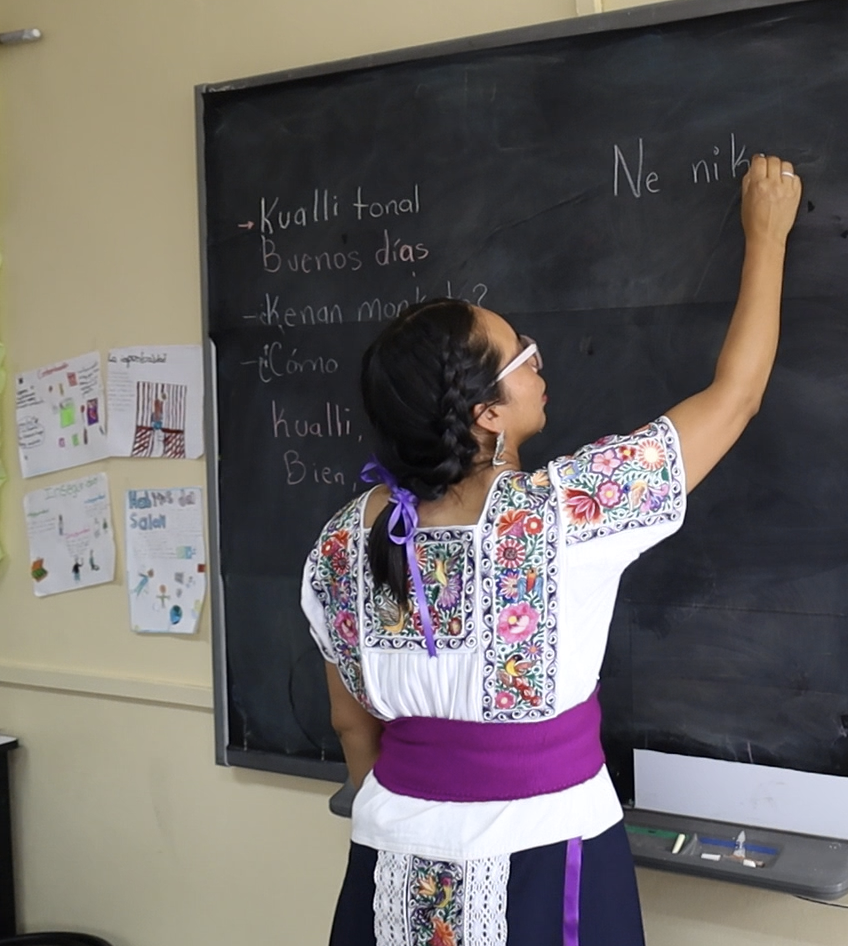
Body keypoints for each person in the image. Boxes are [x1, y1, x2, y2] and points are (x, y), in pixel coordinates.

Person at [301, 155, 802, 946]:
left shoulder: (338, 543)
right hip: (546, 854)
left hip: (388, 864)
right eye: (520, 355)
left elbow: (350, 723)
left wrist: (412, 815)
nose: (539, 359)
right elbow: (733, 399)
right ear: (486, 415)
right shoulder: (567, 512)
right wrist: (766, 237)